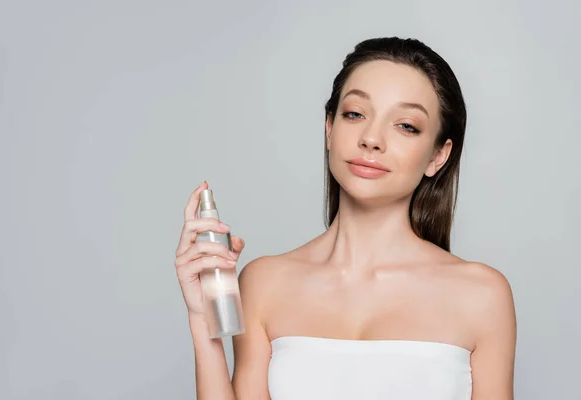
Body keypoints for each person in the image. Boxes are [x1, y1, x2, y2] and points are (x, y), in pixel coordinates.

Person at [174, 37, 517, 400]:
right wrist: (202, 316)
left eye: (405, 125)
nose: (371, 138)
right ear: (329, 128)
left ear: (438, 156)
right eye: (355, 114)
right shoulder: (264, 283)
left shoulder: (481, 295)